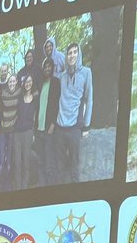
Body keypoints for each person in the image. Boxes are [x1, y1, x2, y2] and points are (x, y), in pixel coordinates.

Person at [55, 42, 93, 183]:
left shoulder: (86, 73)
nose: (72, 55)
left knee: (74, 165)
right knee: (59, 166)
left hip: (75, 127)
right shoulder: (62, 76)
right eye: (69, 53)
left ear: (79, 54)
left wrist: (86, 126)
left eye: (75, 52)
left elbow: (89, 99)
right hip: (60, 127)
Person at [34, 57, 60, 187]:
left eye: (49, 66)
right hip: (39, 129)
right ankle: (42, 186)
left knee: (50, 162)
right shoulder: (41, 83)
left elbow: (57, 105)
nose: (47, 69)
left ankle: (51, 188)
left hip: (49, 129)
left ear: (52, 68)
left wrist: (53, 125)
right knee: (40, 162)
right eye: (45, 66)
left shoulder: (56, 82)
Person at [10, 73, 37, 190]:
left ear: (32, 83)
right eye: (26, 82)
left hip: (28, 133)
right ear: (24, 83)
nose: (28, 84)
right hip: (17, 132)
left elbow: (35, 117)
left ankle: (24, 188)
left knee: (26, 162)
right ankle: (18, 188)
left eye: (30, 81)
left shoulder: (35, 99)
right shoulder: (19, 98)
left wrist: (33, 133)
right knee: (17, 162)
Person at [0, 74, 22, 191]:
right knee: (1, 157)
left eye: (13, 81)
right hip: (3, 130)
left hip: (12, 130)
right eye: (10, 82)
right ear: (7, 83)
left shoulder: (19, 92)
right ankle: (0, 185)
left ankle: (7, 186)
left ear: (16, 82)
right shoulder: (3, 93)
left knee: (9, 158)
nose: (12, 83)